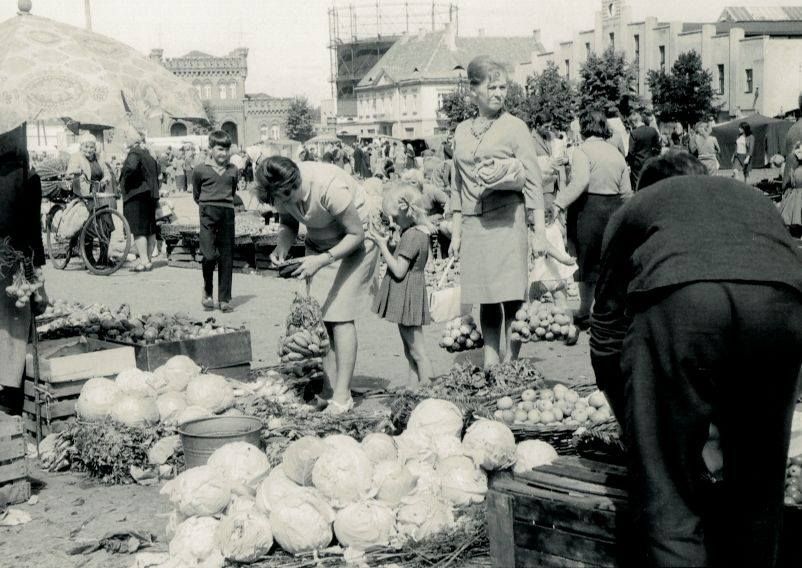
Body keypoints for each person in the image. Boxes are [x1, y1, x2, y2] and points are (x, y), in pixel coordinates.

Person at [590, 152, 802, 567]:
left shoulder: (635, 207)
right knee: (759, 496)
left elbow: (607, 333)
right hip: (784, 308)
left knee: (669, 495)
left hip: (684, 302)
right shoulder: (751, 196)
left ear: (644, 187)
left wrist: (636, 424)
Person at [255, 157, 379, 415]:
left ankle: (343, 396)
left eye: (288, 199)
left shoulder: (329, 186)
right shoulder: (281, 190)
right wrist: (282, 246)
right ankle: (328, 389)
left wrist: (322, 260)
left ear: (296, 181)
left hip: (354, 243)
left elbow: (356, 234)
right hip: (319, 245)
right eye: (280, 202)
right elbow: (289, 223)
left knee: (341, 316)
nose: (286, 205)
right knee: (322, 320)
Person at [449, 55, 547, 366]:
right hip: (475, 225)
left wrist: (540, 232)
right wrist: (456, 230)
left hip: (508, 221)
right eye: (492, 88)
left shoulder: (516, 127)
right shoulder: (462, 131)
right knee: (486, 296)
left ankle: (511, 363)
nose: (499, 94)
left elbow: (533, 181)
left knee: (511, 295)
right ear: (472, 91)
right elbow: (456, 184)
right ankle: (491, 363)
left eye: (503, 87)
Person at [552, 111, 632, 326]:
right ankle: (607, 311)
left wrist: (559, 202)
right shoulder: (616, 154)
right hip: (615, 210)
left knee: (587, 262)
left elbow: (580, 182)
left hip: (589, 209)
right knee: (609, 262)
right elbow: (626, 193)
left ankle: (585, 310)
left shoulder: (581, 151)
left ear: (585, 127)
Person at [0, 125, 48, 407]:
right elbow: (32, 231)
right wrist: (38, 275)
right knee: (15, 320)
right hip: (16, 260)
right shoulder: (27, 177)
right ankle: (11, 388)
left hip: (8, 255)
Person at [369, 183, 435, 387]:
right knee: (410, 348)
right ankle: (412, 386)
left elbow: (399, 270)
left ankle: (427, 385)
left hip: (406, 293)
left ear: (408, 211)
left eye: (396, 217)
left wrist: (381, 246)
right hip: (410, 292)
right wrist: (391, 245)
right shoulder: (420, 233)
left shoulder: (411, 236)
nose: (394, 221)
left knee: (417, 349)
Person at [192, 130, 238, 313]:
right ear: (210, 149)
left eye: (227, 150)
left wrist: (224, 203)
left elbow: (232, 191)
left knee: (227, 256)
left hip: (227, 213)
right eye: (220, 149)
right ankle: (208, 291)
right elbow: (196, 194)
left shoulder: (233, 170)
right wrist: (206, 205)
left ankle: (225, 299)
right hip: (207, 212)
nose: (224, 154)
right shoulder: (200, 169)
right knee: (209, 255)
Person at [67, 133, 115, 267]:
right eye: (86, 147)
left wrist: (105, 179)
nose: (89, 150)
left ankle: (104, 258)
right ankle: (89, 258)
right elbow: (69, 172)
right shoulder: (76, 157)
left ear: (95, 148)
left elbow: (106, 172)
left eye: (91, 147)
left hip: (99, 194)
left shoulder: (99, 158)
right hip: (83, 195)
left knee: (107, 224)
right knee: (88, 225)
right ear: (81, 146)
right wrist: (77, 172)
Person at [120, 126, 160, 272]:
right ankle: (148, 260)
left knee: (138, 229)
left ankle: (143, 260)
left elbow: (130, 168)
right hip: (149, 195)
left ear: (131, 139)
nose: (125, 140)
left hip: (136, 195)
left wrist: (123, 175)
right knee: (149, 229)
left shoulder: (134, 152)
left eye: (125, 138)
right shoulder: (148, 153)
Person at [627, 111, 662, 190]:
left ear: (633, 122)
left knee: (638, 187)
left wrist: (630, 163)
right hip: (650, 162)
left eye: (631, 124)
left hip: (637, 166)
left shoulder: (634, 133)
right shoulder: (653, 131)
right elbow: (658, 147)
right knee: (650, 185)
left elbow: (631, 152)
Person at [779, 142, 802, 235]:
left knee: (794, 214)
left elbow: (788, 182)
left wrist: (784, 188)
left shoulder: (794, 171)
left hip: (795, 195)